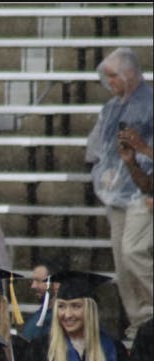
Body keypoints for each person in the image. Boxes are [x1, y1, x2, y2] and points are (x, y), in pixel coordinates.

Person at [86, 47, 153, 344]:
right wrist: (106, 170)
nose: (109, 81)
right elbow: (99, 149)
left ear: (129, 73)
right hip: (116, 195)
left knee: (134, 251)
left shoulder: (151, 104)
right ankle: (140, 322)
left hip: (143, 190)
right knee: (121, 263)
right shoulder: (112, 107)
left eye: (113, 75)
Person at [20, 255, 67, 341]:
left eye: (38, 281)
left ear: (56, 284)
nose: (33, 286)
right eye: (33, 281)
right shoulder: (40, 314)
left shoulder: (62, 320)